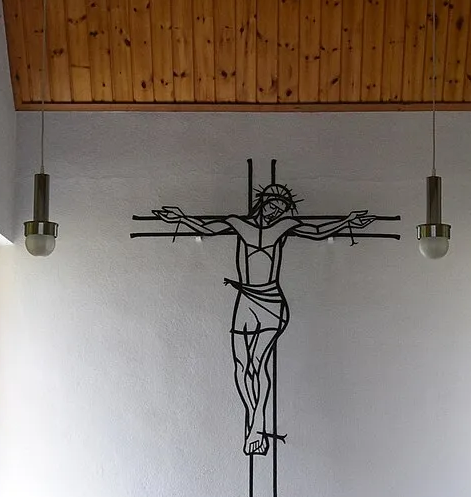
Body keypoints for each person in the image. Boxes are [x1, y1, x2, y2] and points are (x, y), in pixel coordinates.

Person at [149, 182, 374, 457]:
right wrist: (181, 218)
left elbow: (316, 232)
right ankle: (253, 417)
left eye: (280, 210)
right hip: (245, 300)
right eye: (271, 206)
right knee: (241, 365)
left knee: (258, 364)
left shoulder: (282, 227)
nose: (274, 213)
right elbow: (207, 228)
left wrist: (348, 221)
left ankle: (257, 426)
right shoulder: (238, 224)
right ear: (262, 202)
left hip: (270, 301)